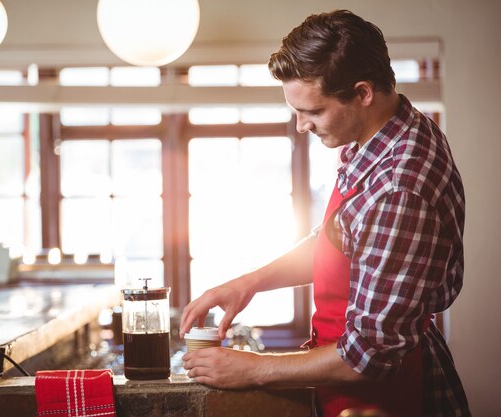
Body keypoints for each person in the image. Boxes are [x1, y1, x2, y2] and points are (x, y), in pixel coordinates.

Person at [180, 9, 471, 417]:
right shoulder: (385, 132)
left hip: (388, 400)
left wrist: (254, 369)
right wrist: (251, 283)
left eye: (313, 112)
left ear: (363, 92)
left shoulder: (399, 188)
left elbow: (369, 355)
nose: (301, 126)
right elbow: (338, 238)